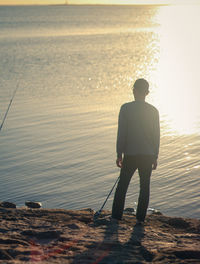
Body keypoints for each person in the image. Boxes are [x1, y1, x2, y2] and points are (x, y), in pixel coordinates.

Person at [112, 78, 160, 224]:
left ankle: (116, 217)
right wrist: (155, 155)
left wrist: (119, 153)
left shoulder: (126, 108)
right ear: (147, 92)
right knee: (144, 187)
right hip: (147, 154)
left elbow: (122, 133)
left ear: (134, 91)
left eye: (134, 89)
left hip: (131, 154)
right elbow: (156, 136)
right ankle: (140, 219)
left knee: (122, 186)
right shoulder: (153, 111)